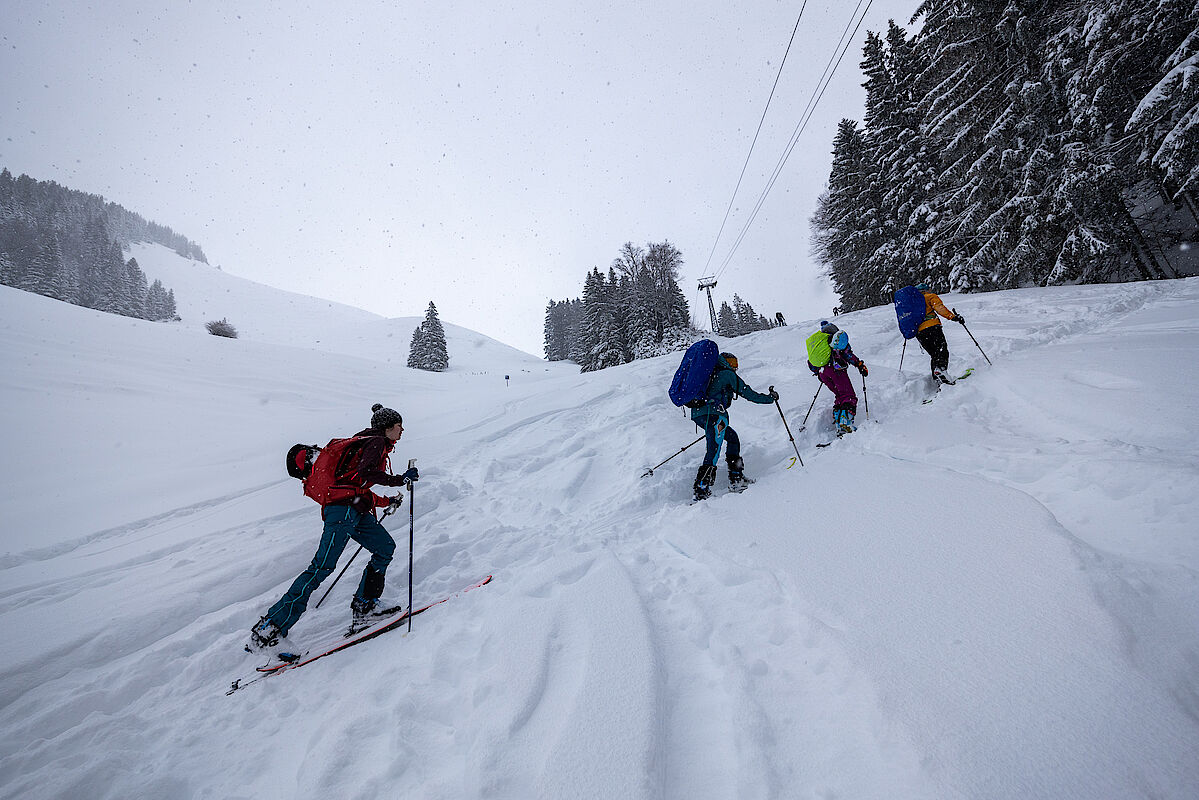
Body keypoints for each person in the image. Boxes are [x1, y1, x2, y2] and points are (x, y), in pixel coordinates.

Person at [247, 403, 420, 651]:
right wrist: (399, 480)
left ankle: (366, 607)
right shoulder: (376, 443)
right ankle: (270, 629)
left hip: (354, 509)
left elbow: (356, 487)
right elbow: (367, 473)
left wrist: (386, 501)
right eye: (398, 425)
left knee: (385, 547)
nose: (402, 429)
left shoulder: (365, 441)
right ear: (387, 428)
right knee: (321, 567)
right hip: (342, 513)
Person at [690, 352, 778, 501]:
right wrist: (770, 398)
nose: (735, 367)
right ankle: (702, 489)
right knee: (714, 450)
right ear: (726, 362)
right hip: (714, 415)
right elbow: (748, 393)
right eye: (733, 363)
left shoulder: (710, 373)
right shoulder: (726, 374)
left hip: (700, 414)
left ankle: (735, 477)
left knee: (732, 439)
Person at [808, 321, 868, 434]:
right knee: (848, 396)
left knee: (840, 395)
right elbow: (847, 354)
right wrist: (859, 365)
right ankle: (845, 424)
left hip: (823, 373)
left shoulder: (820, 345)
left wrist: (819, 373)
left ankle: (838, 420)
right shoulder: (836, 339)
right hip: (836, 371)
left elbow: (811, 363)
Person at [913, 283, 965, 384]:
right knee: (942, 349)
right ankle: (941, 370)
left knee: (934, 354)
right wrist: (953, 317)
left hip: (919, 333)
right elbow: (940, 309)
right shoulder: (930, 297)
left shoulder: (911, 302)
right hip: (932, 328)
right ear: (926, 290)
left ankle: (937, 378)